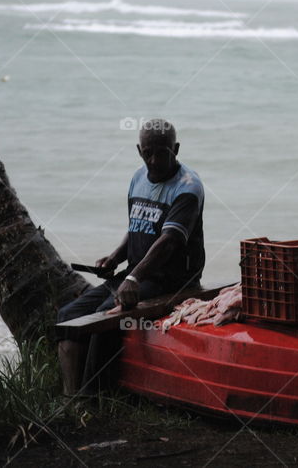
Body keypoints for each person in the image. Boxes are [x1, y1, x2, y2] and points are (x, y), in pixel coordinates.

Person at [56, 119, 205, 395]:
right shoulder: (138, 178)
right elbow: (139, 226)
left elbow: (169, 241)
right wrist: (115, 257)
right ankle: (70, 397)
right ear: (139, 150)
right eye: (147, 152)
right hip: (136, 274)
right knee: (69, 316)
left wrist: (134, 277)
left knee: (103, 317)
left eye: (162, 152)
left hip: (170, 280)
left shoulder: (188, 187)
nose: (154, 159)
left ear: (177, 149)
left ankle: (93, 398)